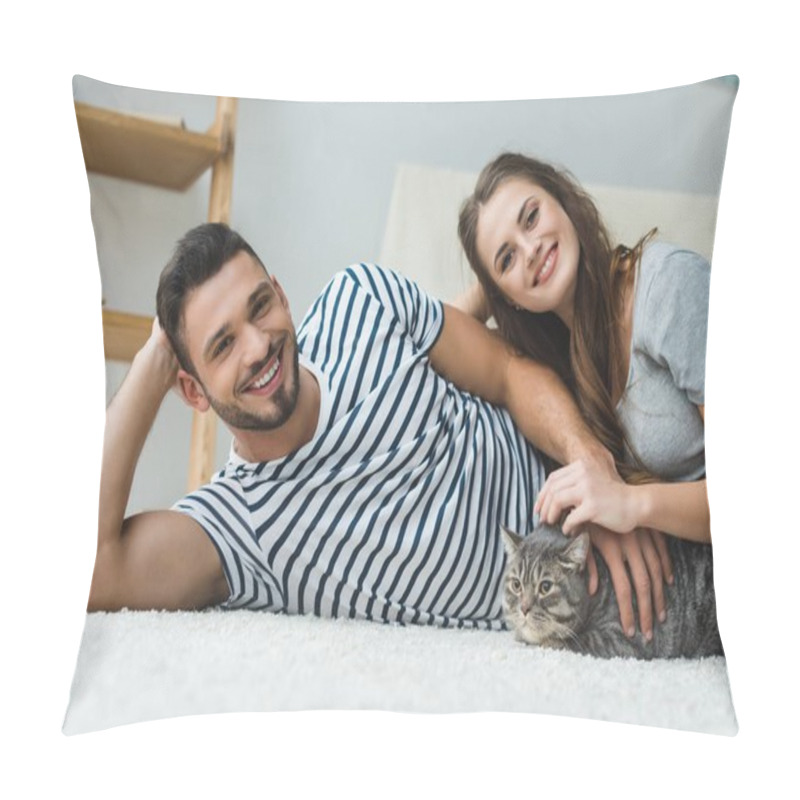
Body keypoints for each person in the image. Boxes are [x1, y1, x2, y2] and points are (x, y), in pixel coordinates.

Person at [89, 222, 670, 637]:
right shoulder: (241, 530)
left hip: (600, 478)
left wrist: (591, 472)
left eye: (260, 306)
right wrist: (154, 360)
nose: (258, 344)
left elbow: (507, 371)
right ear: (192, 390)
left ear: (282, 296)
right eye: (222, 345)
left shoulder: (360, 300)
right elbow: (90, 570)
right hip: (554, 609)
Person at [456, 152, 712, 566]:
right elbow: (430, 335)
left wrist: (629, 505)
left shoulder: (667, 289)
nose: (531, 249)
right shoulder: (559, 367)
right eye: (507, 257)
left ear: (562, 199)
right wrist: (496, 291)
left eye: (531, 217)